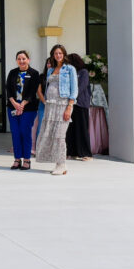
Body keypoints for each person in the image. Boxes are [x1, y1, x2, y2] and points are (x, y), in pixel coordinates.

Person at [37, 43, 76, 176]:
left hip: (63, 105)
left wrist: (69, 107)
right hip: (50, 105)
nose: (58, 55)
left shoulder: (70, 69)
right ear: (53, 56)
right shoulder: (50, 69)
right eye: (55, 54)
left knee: (60, 136)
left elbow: (74, 90)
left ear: (64, 54)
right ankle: (58, 163)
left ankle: (61, 164)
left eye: (60, 53)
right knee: (52, 135)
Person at [5, 50, 41, 170]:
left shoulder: (34, 73)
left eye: (24, 58)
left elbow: (32, 91)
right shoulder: (12, 72)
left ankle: (26, 159)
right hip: (13, 107)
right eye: (19, 59)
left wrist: (23, 104)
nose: (21, 61)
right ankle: (17, 159)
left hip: (28, 108)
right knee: (15, 133)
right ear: (16, 60)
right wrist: (14, 103)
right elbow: (8, 89)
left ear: (28, 60)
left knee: (25, 132)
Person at [67, 52, 94, 161]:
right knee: (72, 129)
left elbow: (81, 87)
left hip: (81, 104)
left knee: (82, 129)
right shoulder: (69, 72)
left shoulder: (83, 72)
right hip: (71, 104)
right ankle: (73, 152)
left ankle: (87, 154)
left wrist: (72, 97)